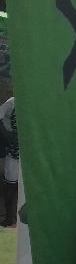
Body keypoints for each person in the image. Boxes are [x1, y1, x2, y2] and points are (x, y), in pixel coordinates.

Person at [0, 95, 19, 226]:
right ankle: (9, 217)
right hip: (13, 151)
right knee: (10, 184)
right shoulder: (12, 102)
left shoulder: (36, 102)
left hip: (31, 151)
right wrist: (7, 135)